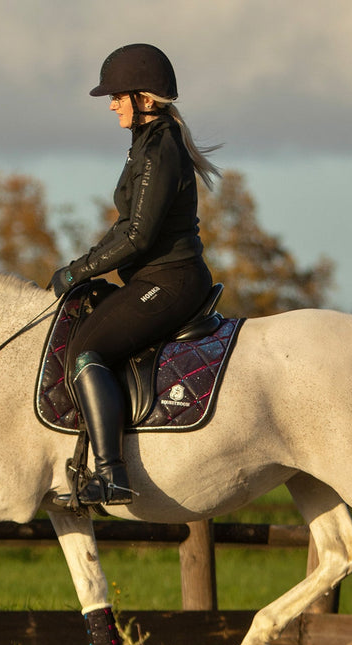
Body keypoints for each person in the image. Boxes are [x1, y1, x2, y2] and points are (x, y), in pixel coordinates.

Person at [50, 43, 222, 505]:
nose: (111, 106)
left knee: (85, 352)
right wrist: (80, 267)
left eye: (116, 97)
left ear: (144, 99)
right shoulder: (146, 145)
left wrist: (75, 273)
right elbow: (124, 227)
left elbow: (137, 238)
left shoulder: (158, 149)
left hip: (170, 281)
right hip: (154, 279)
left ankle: (112, 475)